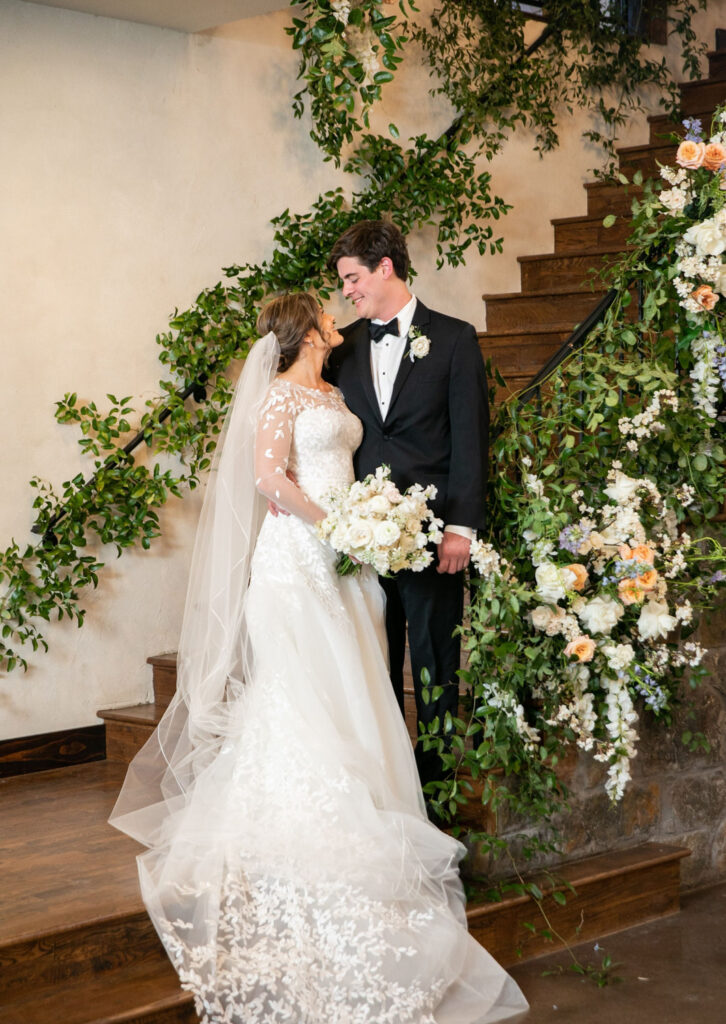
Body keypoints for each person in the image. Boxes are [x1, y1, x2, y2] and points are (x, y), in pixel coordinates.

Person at [110, 293, 527, 1023]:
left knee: (352, 686)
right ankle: (306, 836)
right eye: (327, 313)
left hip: (351, 558)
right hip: (302, 556)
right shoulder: (277, 394)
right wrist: (336, 524)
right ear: (306, 330)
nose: (341, 317)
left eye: (347, 291)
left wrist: (367, 526)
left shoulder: (334, 389)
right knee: (301, 690)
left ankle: (379, 810)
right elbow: (269, 477)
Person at [327, 220, 489, 790]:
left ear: (385, 267)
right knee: (375, 663)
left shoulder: (454, 339)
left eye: (352, 278)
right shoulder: (339, 349)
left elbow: (471, 440)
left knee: (436, 661)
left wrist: (460, 527)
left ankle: (440, 783)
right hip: (360, 542)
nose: (346, 291)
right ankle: (395, 785)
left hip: (431, 536)